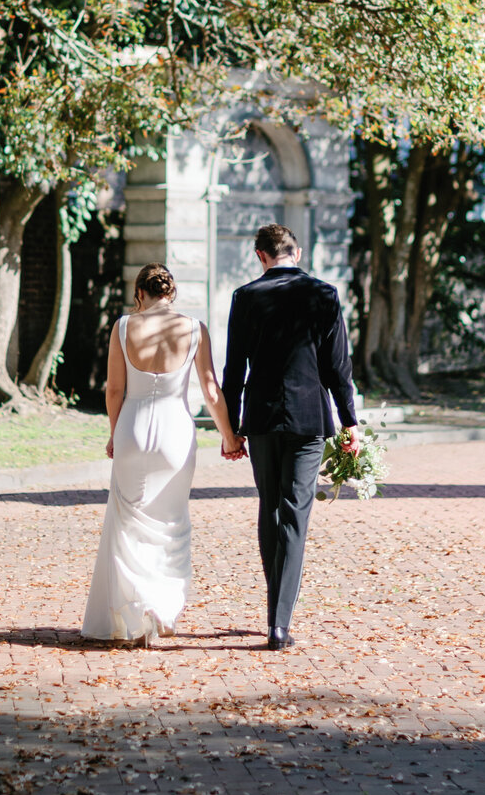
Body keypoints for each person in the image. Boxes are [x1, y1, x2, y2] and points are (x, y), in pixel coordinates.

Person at [82, 262, 244, 647]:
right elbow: (209, 389)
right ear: (171, 294)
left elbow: (114, 392)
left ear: (141, 293)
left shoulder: (123, 327)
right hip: (175, 431)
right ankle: (162, 606)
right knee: (171, 523)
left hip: (133, 428)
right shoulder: (193, 328)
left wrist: (113, 434)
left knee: (128, 525)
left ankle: (135, 611)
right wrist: (229, 437)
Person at [221, 223, 360, 651]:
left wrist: (231, 429)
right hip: (308, 418)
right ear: (296, 253)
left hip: (261, 418)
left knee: (270, 507)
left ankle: (274, 610)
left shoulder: (245, 297)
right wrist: (349, 419)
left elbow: (233, 370)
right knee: (295, 511)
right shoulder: (323, 294)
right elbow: (338, 364)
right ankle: (279, 622)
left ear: (260, 255)